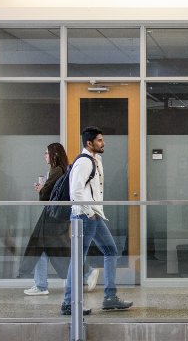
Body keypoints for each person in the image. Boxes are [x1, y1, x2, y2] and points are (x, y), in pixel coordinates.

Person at [63, 126, 132, 315]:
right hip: (85, 216)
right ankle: (68, 303)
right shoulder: (84, 162)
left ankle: (110, 297)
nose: (103, 143)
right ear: (89, 143)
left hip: (94, 215)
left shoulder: (95, 160)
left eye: (102, 139)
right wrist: (88, 211)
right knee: (78, 259)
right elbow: (75, 192)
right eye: (100, 140)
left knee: (111, 250)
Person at [19, 142, 100, 295]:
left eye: (46, 153)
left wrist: (41, 189)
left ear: (54, 155)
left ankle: (86, 271)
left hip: (52, 215)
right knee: (45, 248)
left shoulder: (57, 171)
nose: (45, 156)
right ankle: (41, 284)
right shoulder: (62, 169)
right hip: (58, 214)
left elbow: (46, 196)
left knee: (55, 249)